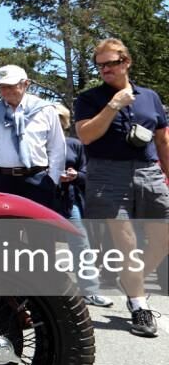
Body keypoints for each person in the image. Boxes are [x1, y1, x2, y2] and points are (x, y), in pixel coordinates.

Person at [74, 38, 168, 337]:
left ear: (126, 62)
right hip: (107, 174)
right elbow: (87, 136)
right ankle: (139, 307)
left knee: (163, 238)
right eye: (100, 65)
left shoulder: (150, 97)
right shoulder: (89, 99)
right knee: (125, 243)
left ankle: (132, 280)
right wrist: (113, 106)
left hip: (148, 171)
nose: (105, 70)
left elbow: (162, 139)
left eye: (111, 64)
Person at [0, 65, 64, 211]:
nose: (6, 91)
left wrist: (53, 180)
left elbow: (57, 147)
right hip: (1, 182)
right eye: (2, 87)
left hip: (37, 180)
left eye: (11, 86)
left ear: (26, 84)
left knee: (40, 231)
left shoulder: (46, 110)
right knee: (5, 232)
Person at [54, 103, 113, 308]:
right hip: (41, 200)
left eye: (58, 118)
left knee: (81, 245)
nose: (54, 122)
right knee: (38, 247)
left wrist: (75, 175)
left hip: (69, 202)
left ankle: (90, 291)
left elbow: (88, 174)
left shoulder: (75, 145)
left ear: (64, 122)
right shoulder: (35, 144)